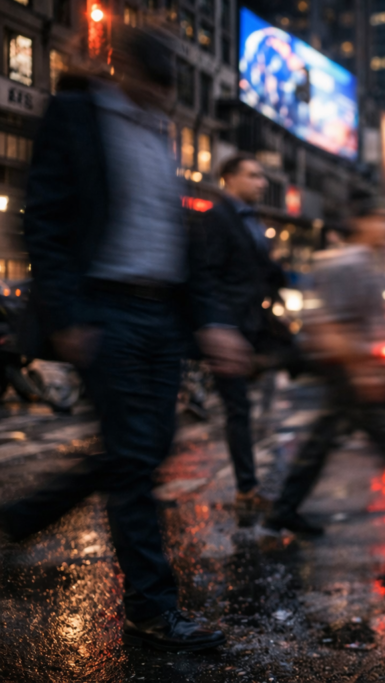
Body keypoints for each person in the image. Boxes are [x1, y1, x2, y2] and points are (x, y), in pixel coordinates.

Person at [0, 27, 249, 651]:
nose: (163, 98)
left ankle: (24, 514)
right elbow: (46, 218)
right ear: (125, 69)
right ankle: (151, 607)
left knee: (144, 449)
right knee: (135, 458)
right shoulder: (76, 114)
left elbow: (176, 237)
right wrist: (67, 313)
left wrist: (210, 321)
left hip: (162, 315)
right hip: (105, 309)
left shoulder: (159, 135)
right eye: (155, 85)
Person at [262, 203, 385, 535]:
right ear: (363, 222)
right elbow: (334, 323)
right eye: (384, 220)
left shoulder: (365, 261)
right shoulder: (346, 263)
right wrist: (361, 371)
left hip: (354, 368)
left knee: (323, 442)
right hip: (349, 369)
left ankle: (284, 509)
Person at [204, 153, 285, 520]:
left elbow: (263, 272)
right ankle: (247, 489)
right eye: (253, 175)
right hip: (231, 329)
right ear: (229, 178)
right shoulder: (218, 219)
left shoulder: (253, 221)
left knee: (245, 408)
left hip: (255, 325)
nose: (262, 183)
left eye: (262, 176)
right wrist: (219, 326)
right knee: (238, 409)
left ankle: (251, 487)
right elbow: (209, 276)